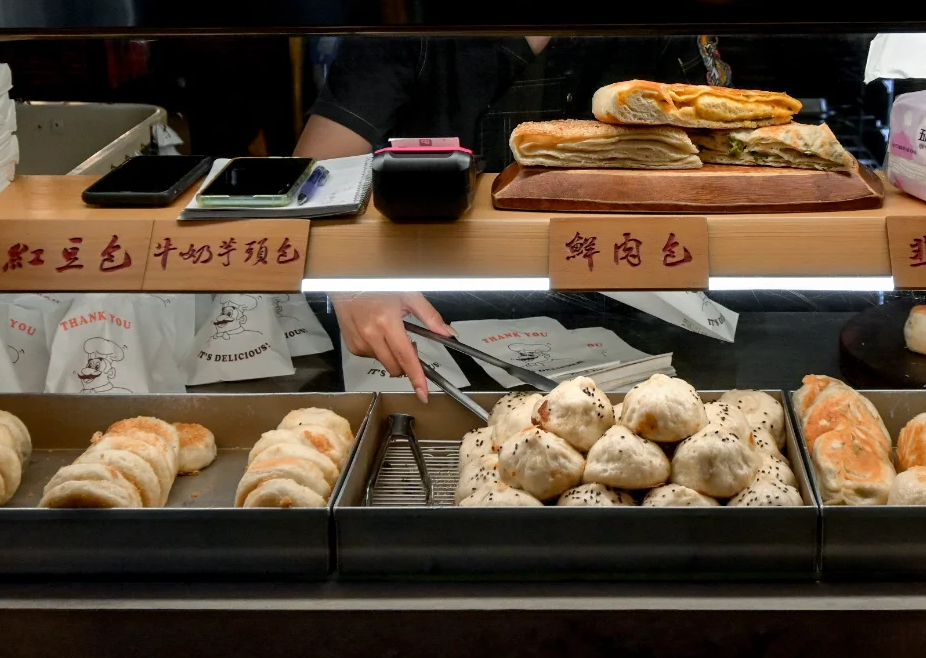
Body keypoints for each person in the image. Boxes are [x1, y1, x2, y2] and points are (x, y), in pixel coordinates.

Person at [296, 34, 704, 399]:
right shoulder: (410, 13)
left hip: (626, 320)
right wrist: (354, 282)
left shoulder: (654, 14)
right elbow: (310, 174)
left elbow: (713, 155)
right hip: (425, 318)